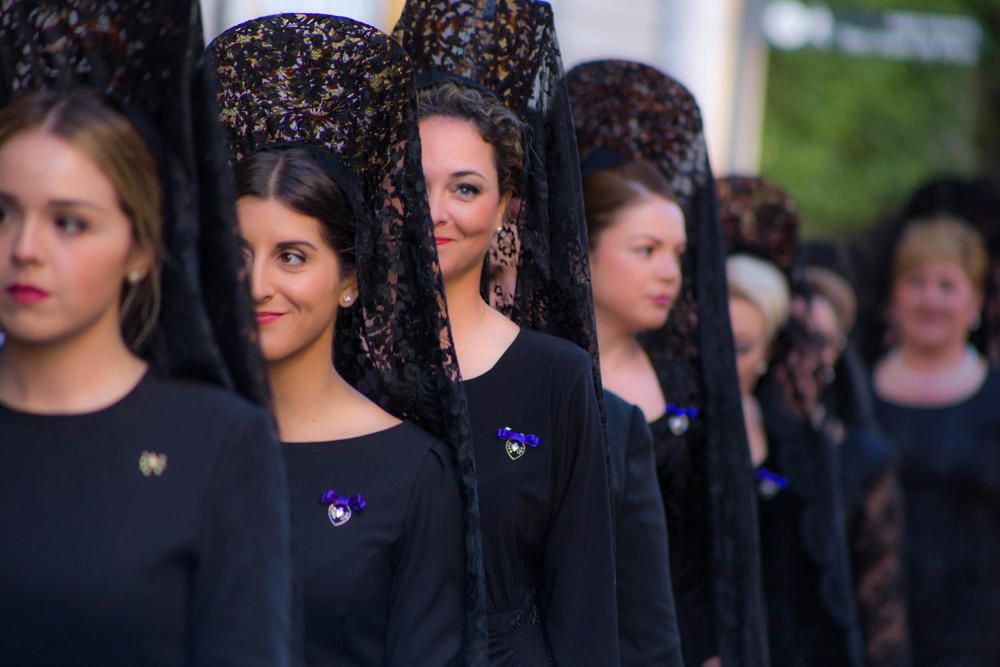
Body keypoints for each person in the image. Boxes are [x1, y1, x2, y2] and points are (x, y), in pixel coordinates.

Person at [0, 2, 291, 665]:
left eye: (69, 222)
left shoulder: (217, 443)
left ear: (139, 248)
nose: (25, 248)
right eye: (4, 212)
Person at [210, 14, 482, 665]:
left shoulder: (413, 471)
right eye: (238, 252)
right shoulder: (177, 437)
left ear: (350, 280)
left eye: (293, 256)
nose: (258, 283)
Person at [395, 2, 619, 664]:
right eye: (417, 180)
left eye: (465, 188)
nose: (437, 210)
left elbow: (584, 605)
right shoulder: (341, 357)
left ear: (506, 209)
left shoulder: (556, 376)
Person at [569, 60, 769, 667]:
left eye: (677, 254)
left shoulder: (686, 387)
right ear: (585, 247)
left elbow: (712, 545)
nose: (668, 273)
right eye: (645, 250)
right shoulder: (541, 377)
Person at [718, 174, 865, 667]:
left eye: (741, 347)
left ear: (768, 351)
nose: (723, 360)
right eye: (714, 341)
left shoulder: (795, 443)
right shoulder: (677, 428)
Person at [872, 215, 1000, 666]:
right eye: (916, 281)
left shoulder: (995, 400)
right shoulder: (855, 400)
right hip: (875, 637)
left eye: (947, 285)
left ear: (976, 302)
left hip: (978, 640)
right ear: (894, 295)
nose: (930, 299)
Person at [802, 258, 912, 667]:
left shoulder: (861, 457)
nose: (808, 356)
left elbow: (882, 600)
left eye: (824, 342)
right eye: (794, 339)